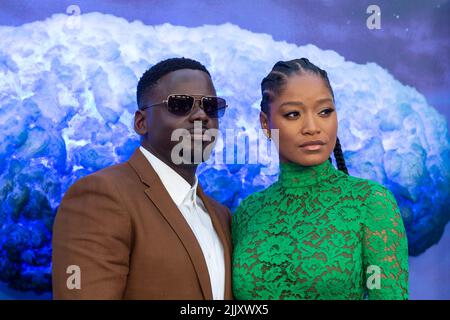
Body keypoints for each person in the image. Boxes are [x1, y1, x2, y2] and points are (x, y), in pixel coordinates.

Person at [52, 57, 233, 299]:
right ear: (141, 122)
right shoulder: (101, 197)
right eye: (181, 105)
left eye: (211, 106)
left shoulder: (221, 215)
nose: (201, 116)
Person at [232, 58, 409, 300]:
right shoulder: (248, 213)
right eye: (293, 114)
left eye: (325, 111)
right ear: (266, 123)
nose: (312, 127)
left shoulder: (370, 202)